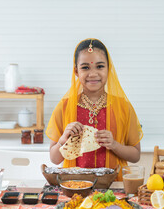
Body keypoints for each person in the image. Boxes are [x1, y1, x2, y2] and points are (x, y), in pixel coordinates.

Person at [46, 38, 143, 180]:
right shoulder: (64, 107)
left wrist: (114, 145)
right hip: (75, 187)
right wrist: (63, 139)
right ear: (76, 71)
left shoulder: (123, 107)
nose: (93, 74)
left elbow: (135, 156)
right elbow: (54, 159)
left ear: (109, 69)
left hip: (113, 189)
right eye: (85, 67)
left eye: (100, 66)